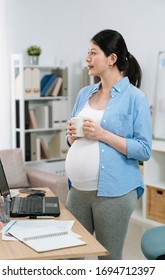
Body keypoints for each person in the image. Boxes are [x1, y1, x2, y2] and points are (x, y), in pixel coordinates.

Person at [65, 29, 152, 260]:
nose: (87, 58)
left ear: (112, 59)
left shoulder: (135, 98)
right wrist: (71, 136)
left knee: (108, 261)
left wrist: (103, 134)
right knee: (69, 256)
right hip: (78, 191)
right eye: (88, 53)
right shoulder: (84, 93)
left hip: (114, 193)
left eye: (93, 53)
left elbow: (144, 149)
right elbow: (72, 140)